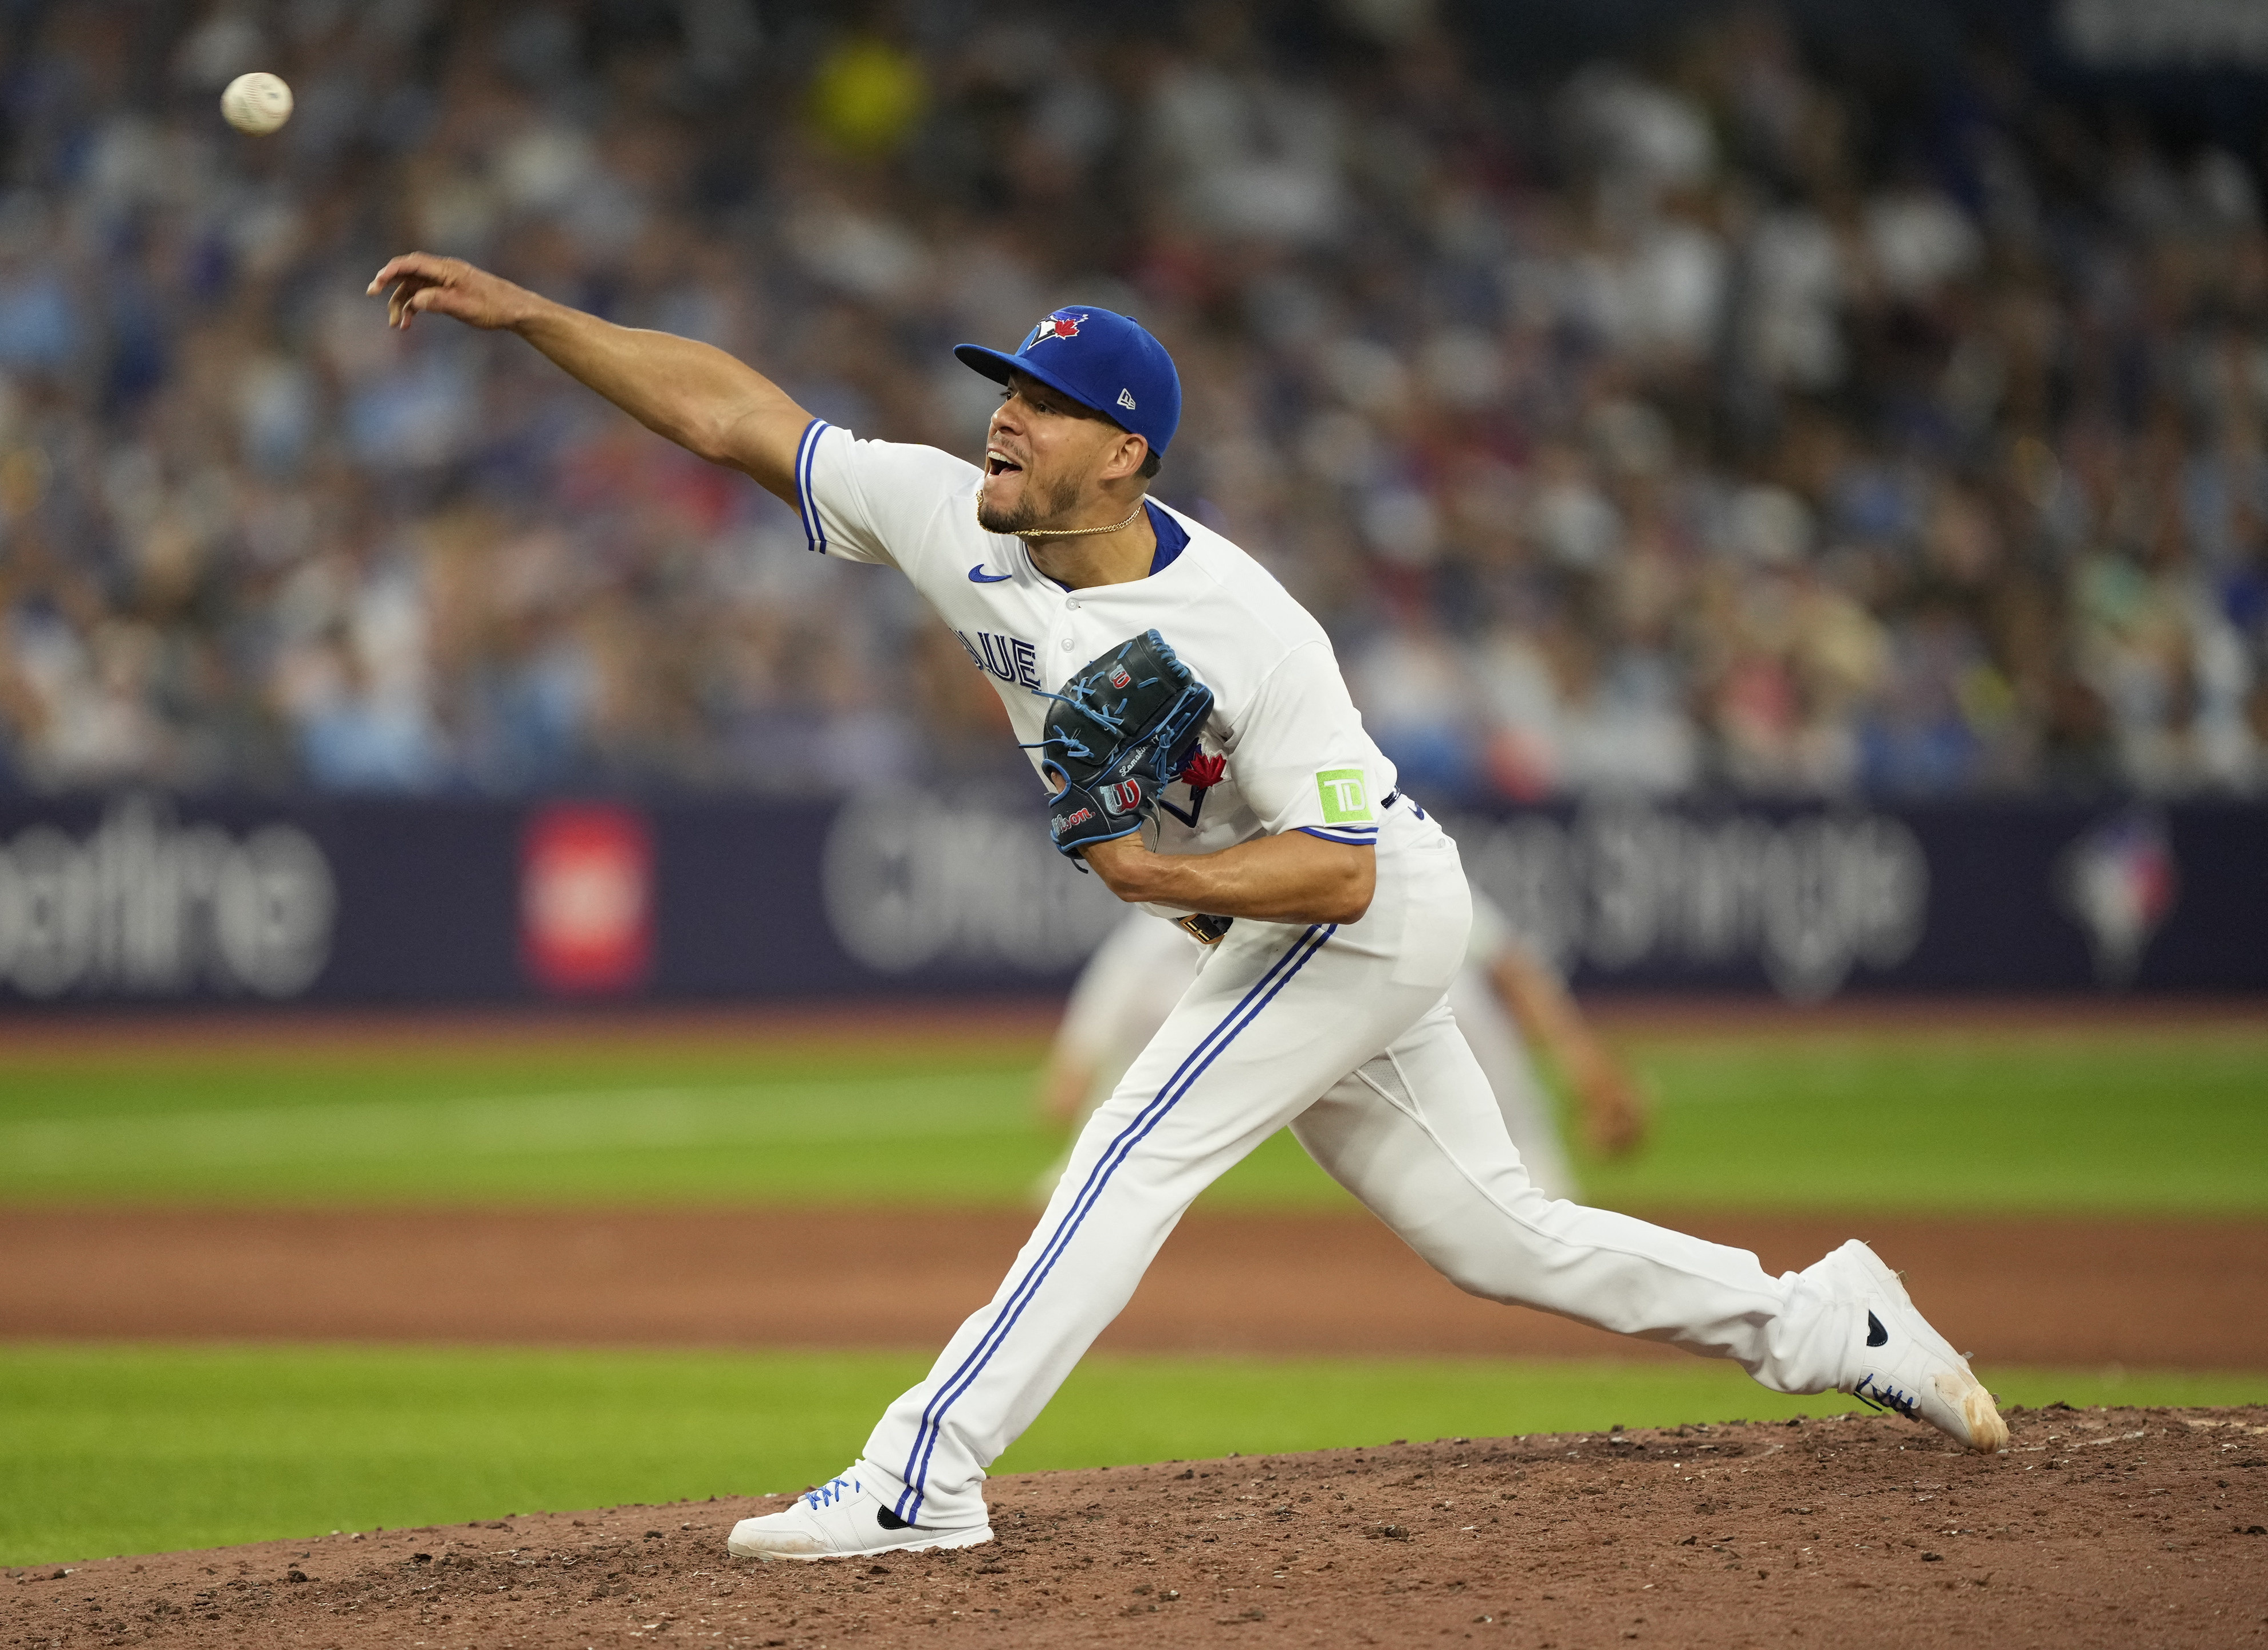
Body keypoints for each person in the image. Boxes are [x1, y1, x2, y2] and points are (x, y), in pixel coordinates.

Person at [365, 256, 2010, 1563]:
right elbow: (738, 420)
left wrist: (1162, 881)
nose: (1004, 417)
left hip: (1359, 911)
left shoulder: (1247, 627)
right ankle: (1821, 1316)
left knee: (1130, 1148)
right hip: (1283, 918)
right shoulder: (959, 523)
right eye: (1004, 387)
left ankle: (922, 1473)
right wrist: (529, 318)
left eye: (1045, 402)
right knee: (1495, 1237)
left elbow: (1347, 870)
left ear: (1126, 448)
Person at [1033, 895, 1645, 1203]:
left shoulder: (1404, 854)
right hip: (1308, 998)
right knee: (1171, 992)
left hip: (1392, 995)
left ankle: (1533, 1166)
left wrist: (1586, 1067)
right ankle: (1099, 1161)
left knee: (1464, 995)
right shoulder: (1245, 847)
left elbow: (1509, 966)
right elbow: (1128, 966)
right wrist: (1076, 1059)